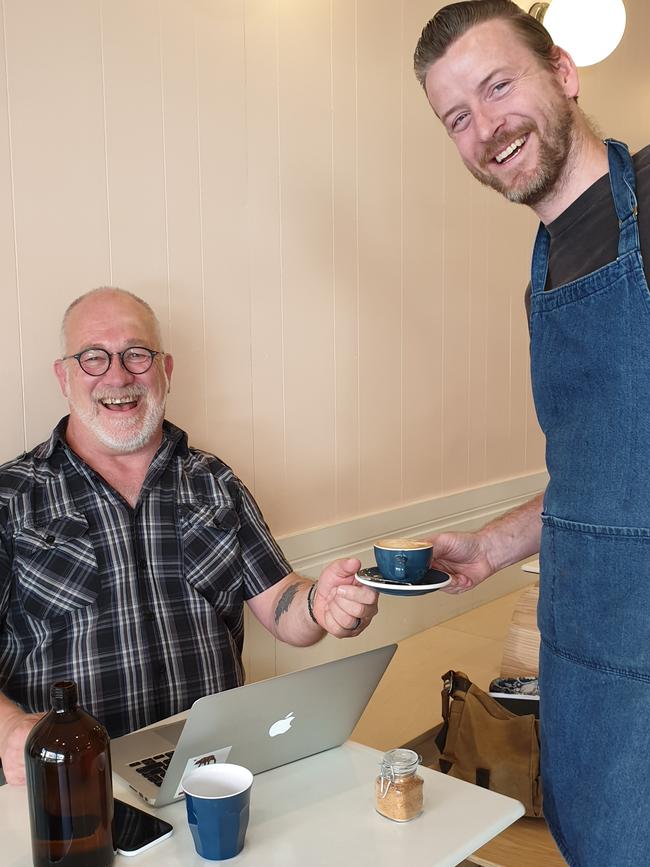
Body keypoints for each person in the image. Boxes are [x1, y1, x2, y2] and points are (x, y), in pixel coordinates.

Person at [413, 2, 650, 864]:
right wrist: (495, 544)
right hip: (582, 679)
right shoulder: (545, 268)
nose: (486, 128)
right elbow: (612, 461)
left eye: (498, 85)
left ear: (562, 71)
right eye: (458, 117)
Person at [0, 287, 379, 785]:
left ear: (166, 371)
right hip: (68, 788)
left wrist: (321, 606)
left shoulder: (215, 483)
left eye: (137, 355)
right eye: (93, 357)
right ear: (63, 375)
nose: (118, 375)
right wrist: (10, 731)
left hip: (211, 773)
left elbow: (285, 608)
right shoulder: (11, 497)